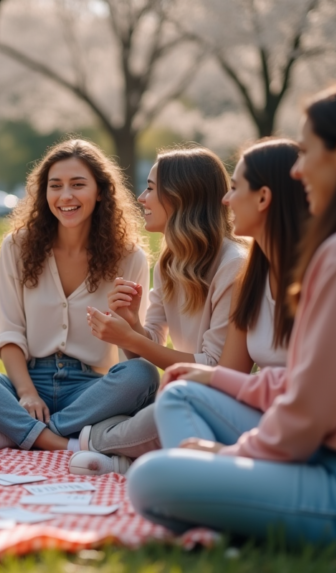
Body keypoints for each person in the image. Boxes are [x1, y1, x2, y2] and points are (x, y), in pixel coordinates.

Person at [128, 80, 336, 549]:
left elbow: (307, 410)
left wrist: (230, 455)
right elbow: (305, 382)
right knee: (182, 401)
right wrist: (212, 380)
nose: (297, 171)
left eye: (307, 151)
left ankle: (217, 515)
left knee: (150, 479)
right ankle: (222, 517)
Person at [0, 139, 159, 453]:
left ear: (101, 191)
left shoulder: (129, 258)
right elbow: (9, 332)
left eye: (78, 184)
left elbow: (134, 358)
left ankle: (20, 433)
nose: (66, 196)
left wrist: (129, 325)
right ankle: (61, 442)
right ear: (43, 192)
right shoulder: (18, 247)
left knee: (142, 375)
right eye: (55, 186)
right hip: (24, 385)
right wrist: (26, 393)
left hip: (89, 391)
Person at [70, 146, 246, 475]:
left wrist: (134, 340)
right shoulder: (168, 264)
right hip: (180, 392)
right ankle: (127, 453)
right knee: (144, 399)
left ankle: (89, 440)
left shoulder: (232, 266)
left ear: (181, 197)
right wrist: (130, 322)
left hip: (213, 401)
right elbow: (146, 349)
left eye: (150, 188)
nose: (141, 198)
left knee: (156, 414)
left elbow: (214, 367)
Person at [154, 138, 309, 449]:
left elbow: (315, 393)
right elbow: (227, 375)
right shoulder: (250, 275)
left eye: (235, 188)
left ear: (264, 197)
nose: (225, 200)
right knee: (174, 396)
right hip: (261, 417)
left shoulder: (319, 276)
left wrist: (227, 451)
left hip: (305, 430)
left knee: (152, 474)